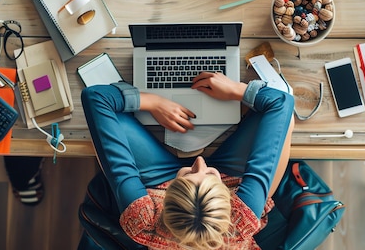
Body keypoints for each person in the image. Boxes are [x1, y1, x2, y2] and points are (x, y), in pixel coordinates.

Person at [81, 72, 294, 249]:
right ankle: (202, 181)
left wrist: (153, 101)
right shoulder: (241, 217)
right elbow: (281, 102)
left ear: (166, 196)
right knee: (287, 120)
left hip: (164, 181)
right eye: (210, 174)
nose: (200, 161)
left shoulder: (143, 218)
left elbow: (96, 97)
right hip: (230, 188)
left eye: (189, 175)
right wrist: (237, 90)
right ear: (229, 200)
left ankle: (196, 180)